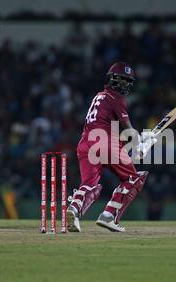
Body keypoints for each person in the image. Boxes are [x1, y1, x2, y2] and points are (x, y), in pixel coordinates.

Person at [66, 62, 156, 232]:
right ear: (115, 80)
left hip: (86, 143)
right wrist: (143, 144)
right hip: (104, 142)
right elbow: (128, 131)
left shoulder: (99, 96)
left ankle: (74, 209)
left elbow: (115, 131)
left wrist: (141, 139)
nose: (126, 85)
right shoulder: (117, 98)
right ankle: (109, 216)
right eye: (125, 80)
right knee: (134, 179)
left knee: (89, 185)